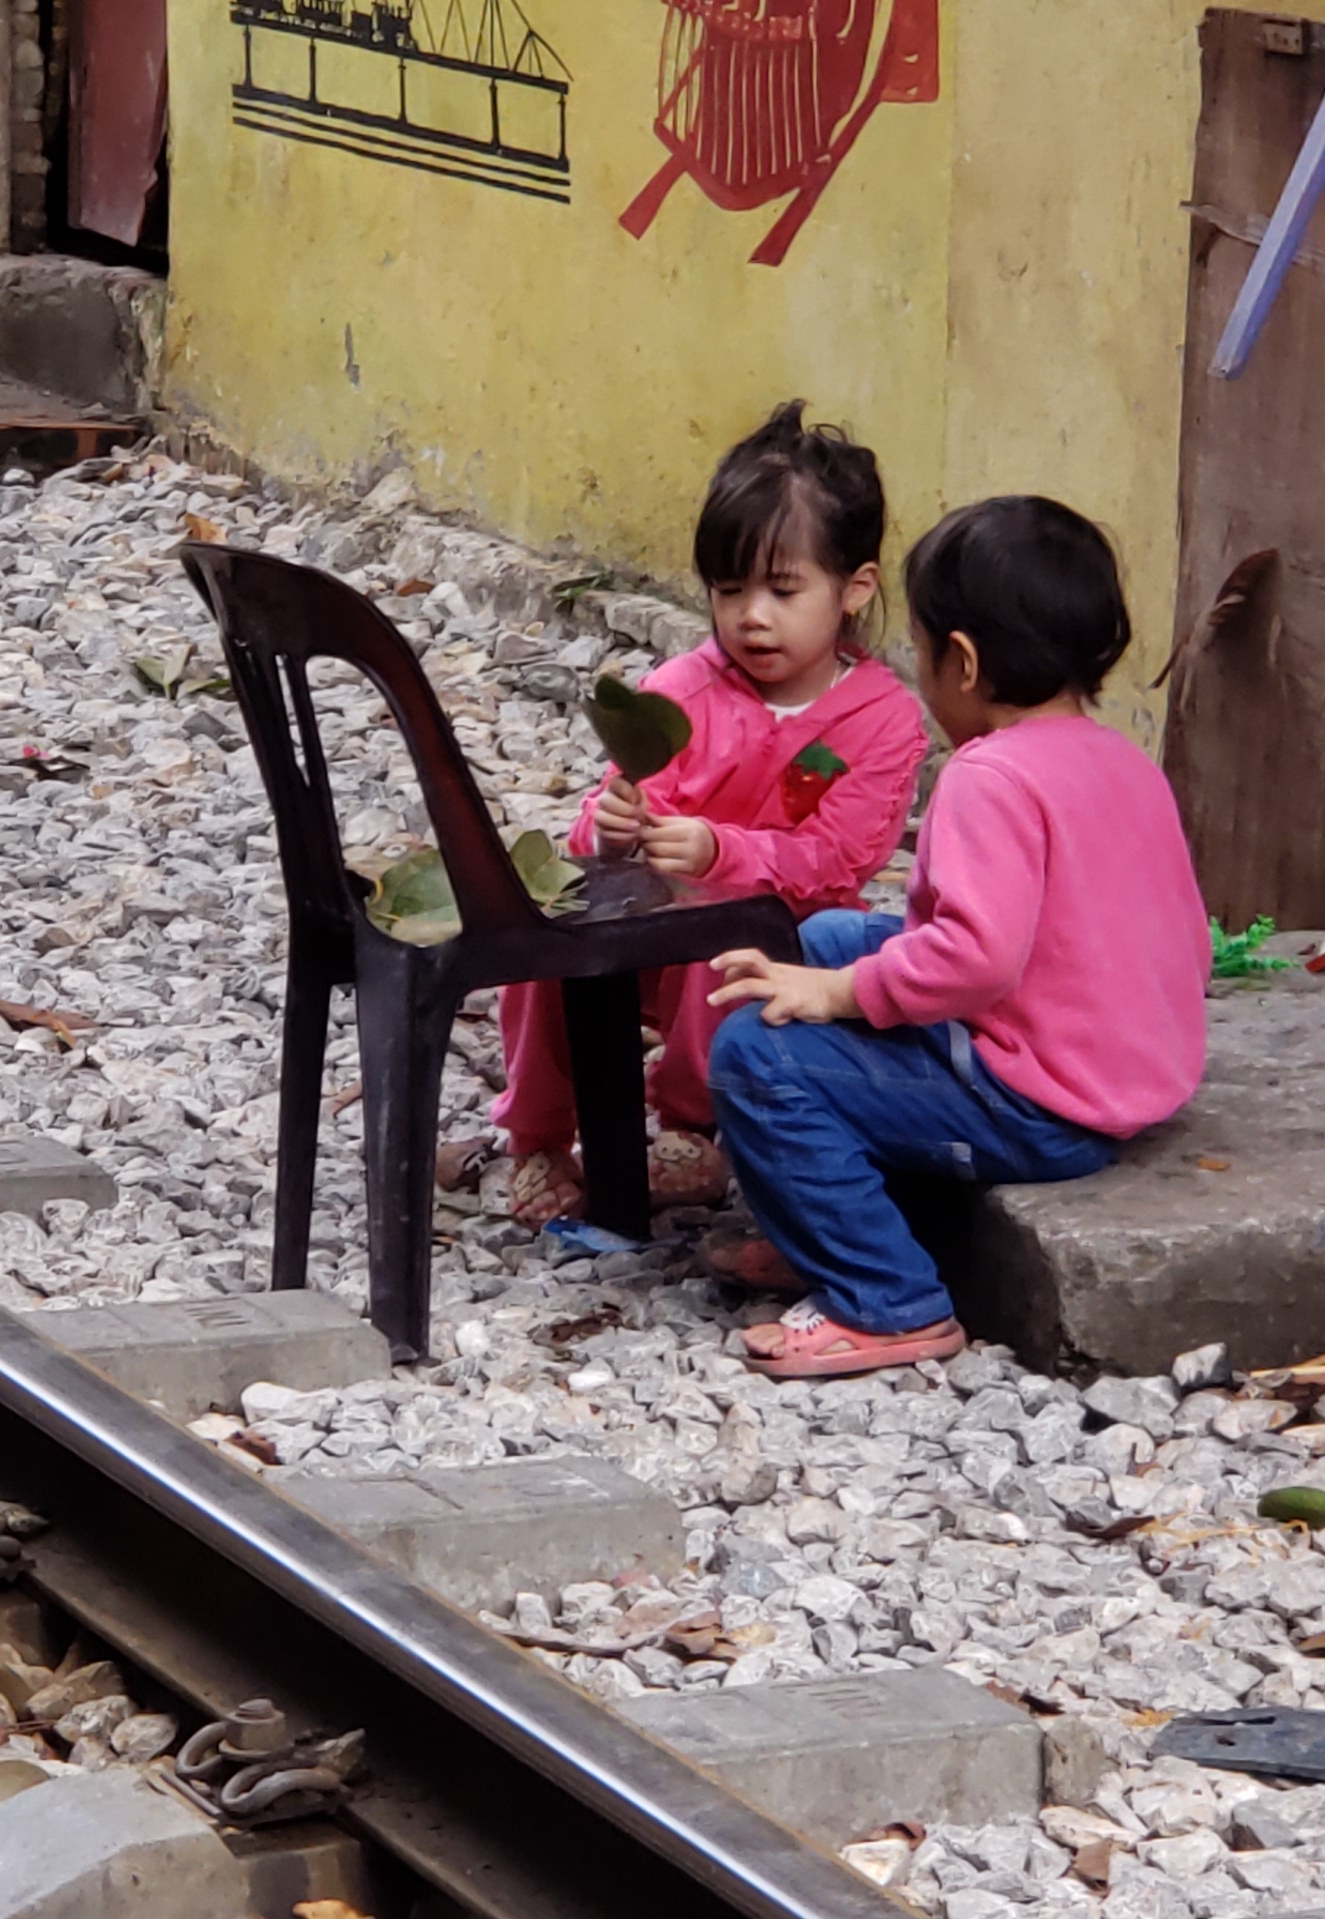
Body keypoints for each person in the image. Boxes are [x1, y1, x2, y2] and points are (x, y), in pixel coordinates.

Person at [704, 493, 1208, 1379]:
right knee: (827, 935)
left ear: (963, 662)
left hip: (1041, 1106)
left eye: (926, 652)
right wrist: (843, 972)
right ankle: (830, 1218)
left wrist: (842, 995)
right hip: (1121, 1071)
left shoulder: (990, 777)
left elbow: (973, 958)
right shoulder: (1121, 757)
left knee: (757, 1053)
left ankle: (886, 1297)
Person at [497, 403, 926, 1226]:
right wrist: (610, 825)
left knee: (720, 932)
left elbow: (838, 861)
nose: (751, 616)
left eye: (782, 590)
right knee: (543, 935)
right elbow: (609, 811)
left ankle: (692, 1125)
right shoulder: (682, 691)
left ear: (855, 589)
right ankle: (538, 1134)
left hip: (782, 936)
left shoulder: (881, 720)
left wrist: (718, 852)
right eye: (730, 592)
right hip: (647, 928)